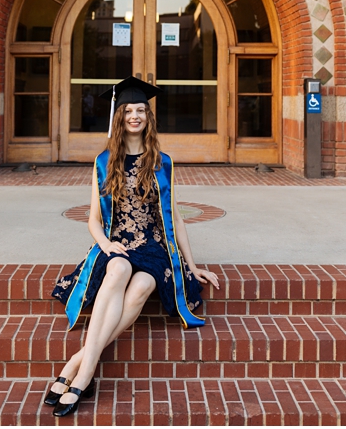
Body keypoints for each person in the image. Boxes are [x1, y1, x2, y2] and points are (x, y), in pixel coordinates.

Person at [47, 77, 221, 417]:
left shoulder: (162, 162)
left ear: (148, 117)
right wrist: (106, 244)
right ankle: (85, 373)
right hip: (117, 243)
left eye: (141, 110)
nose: (136, 116)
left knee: (142, 285)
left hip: (154, 247)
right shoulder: (103, 162)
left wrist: (192, 264)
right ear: (120, 117)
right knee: (120, 269)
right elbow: (93, 220)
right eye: (129, 110)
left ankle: (78, 366)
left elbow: (175, 218)